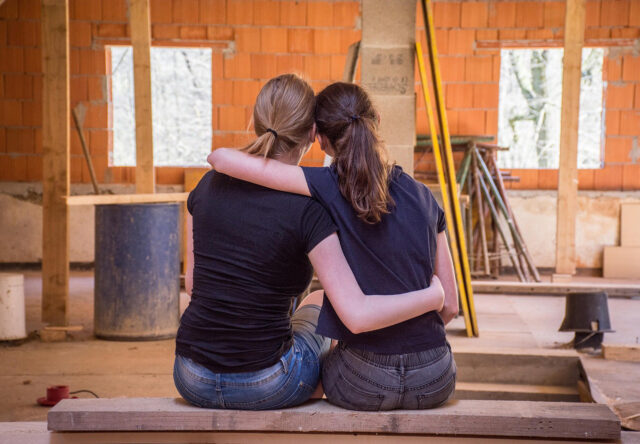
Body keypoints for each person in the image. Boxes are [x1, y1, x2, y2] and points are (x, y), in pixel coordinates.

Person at [174, 74, 445, 411]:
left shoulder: (204, 187)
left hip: (190, 375)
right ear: (312, 134)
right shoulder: (312, 207)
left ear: (257, 121)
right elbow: (357, 312)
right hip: (268, 385)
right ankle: (311, 388)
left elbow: (192, 285)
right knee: (319, 302)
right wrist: (432, 295)